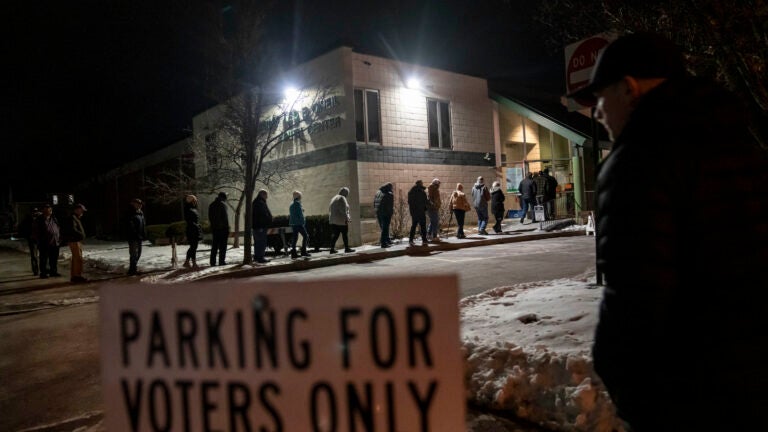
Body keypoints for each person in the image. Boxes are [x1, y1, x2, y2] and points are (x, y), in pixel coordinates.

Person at [567, 32, 768, 431]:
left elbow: (636, 294)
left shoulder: (639, 159)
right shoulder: (742, 144)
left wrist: (629, 388)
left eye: (602, 98)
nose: (599, 113)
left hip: (686, 389)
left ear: (630, 88)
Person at [32, 204, 61, 279]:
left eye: (50, 210)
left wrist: (58, 237)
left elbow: (57, 227)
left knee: (54, 258)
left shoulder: (53, 218)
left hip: (55, 242)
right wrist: (38, 241)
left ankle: (53, 271)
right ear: (44, 211)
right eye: (47, 210)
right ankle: (43, 273)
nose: (49, 211)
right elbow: (35, 232)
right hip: (44, 243)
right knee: (44, 259)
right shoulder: (39, 220)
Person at [64, 203, 88, 283]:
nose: (82, 213)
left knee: (76, 258)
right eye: (81, 211)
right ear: (77, 210)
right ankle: (77, 276)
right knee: (78, 258)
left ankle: (74, 276)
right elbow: (73, 230)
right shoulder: (73, 218)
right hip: (74, 241)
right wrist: (81, 235)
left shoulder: (75, 218)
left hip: (76, 240)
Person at [328, 187, 355, 253]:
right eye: (347, 193)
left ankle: (332, 249)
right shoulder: (342, 198)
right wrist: (347, 219)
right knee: (344, 235)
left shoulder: (334, 198)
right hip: (341, 220)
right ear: (345, 193)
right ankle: (346, 248)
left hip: (333, 220)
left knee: (335, 235)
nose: (347, 195)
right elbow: (343, 210)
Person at [208, 192, 230, 266]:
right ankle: (221, 261)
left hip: (215, 229)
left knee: (214, 246)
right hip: (223, 229)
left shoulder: (211, 205)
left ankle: (212, 262)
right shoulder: (223, 205)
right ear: (224, 198)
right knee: (223, 247)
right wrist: (227, 228)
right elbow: (225, 218)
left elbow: (210, 217)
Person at [126, 198, 146, 275]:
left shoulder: (140, 213)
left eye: (141, 204)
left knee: (139, 253)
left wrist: (144, 234)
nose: (140, 205)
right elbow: (130, 225)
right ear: (134, 204)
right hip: (132, 237)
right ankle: (132, 270)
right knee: (134, 253)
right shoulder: (130, 212)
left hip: (139, 237)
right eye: (138, 204)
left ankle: (134, 267)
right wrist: (135, 234)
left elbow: (143, 223)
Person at [18, 208, 41, 276]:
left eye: (36, 212)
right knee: (34, 255)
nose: (35, 213)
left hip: (41, 239)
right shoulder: (27, 220)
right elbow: (21, 229)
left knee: (43, 255)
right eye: (34, 212)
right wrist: (28, 235)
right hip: (32, 240)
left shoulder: (40, 218)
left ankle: (43, 269)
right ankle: (35, 270)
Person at [252, 189, 272, 263]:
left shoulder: (256, 202)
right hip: (260, 226)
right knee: (262, 242)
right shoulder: (260, 203)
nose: (267, 197)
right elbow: (263, 215)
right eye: (266, 195)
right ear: (262, 195)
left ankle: (257, 257)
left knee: (257, 242)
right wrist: (267, 221)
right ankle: (260, 257)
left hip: (257, 226)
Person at [288, 191, 311, 259]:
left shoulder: (291, 204)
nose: (301, 197)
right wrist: (303, 221)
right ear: (298, 197)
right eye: (300, 196)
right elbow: (300, 215)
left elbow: (293, 214)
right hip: (298, 223)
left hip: (293, 223)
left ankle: (293, 252)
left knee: (295, 238)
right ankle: (303, 251)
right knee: (306, 236)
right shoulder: (297, 204)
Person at [183, 195, 203, 269]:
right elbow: (190, 221)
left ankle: (187, 262)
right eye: (195, 200)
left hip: (195, 229)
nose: (196, 202)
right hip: (192, 230)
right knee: (193, 247)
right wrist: (196, 226)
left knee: (193, 246)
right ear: (191, 201)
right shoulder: (188, 209)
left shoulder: (192, 209)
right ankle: (193, 263)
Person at [406, 179, 428, 246]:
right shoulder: (421, 192)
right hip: (420, 212)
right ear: (420, 184)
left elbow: (410, 202)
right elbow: (425, 201)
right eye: (422, 183)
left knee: (414, 226)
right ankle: (424, 240)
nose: (422, 184)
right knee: (423, 226)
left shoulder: (411, 191)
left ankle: (411, 240)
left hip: (414, 212)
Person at [373, 182, 394, 247]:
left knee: (383, 228)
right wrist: (390, 213)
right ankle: (383, 243)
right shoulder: (388, 194)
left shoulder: (378, 192)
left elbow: (374, 203)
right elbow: (389, 206)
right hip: (386, 213)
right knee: (385, 228)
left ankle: (387, 240)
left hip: (379, 212)